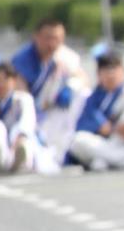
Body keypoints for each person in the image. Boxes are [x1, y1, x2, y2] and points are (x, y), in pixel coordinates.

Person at [11, 18, 89, 164]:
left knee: (83, 94)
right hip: (33, 114)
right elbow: (21, 95)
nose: (52, 44)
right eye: (48, 38)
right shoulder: (23, 60)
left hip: (57, 110)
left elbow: (83, 79)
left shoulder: (65, 56)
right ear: (36, 37)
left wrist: (70, 87)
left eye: (57, 39)